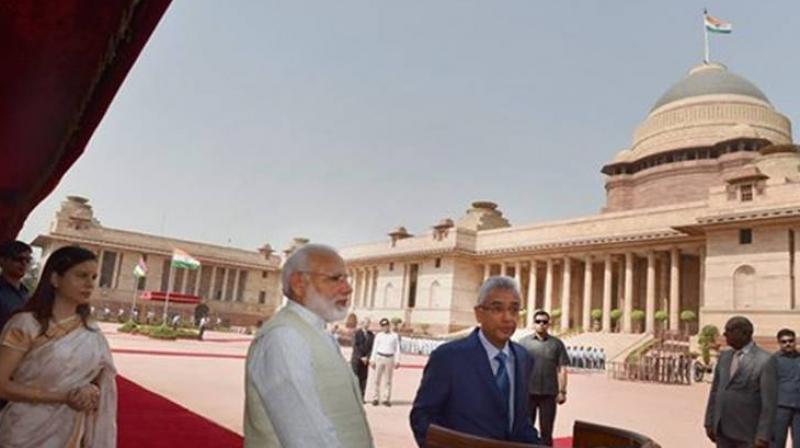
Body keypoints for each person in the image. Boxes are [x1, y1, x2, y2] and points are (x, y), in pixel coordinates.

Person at [243, 244, 373, 448]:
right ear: (299, 283)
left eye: (346, 279)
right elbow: (308, 437)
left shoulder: (316, 332)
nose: (347, 288)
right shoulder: (284, 337)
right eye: (335, 278)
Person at [0, 245, 117, 446]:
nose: (89, 284)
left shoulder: (91, 332)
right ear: (55, 279)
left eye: (94, 277)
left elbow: (100, 380)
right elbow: (1, 385)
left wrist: (91, 391)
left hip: (70, 431)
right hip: (25, 430)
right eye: (81, 276)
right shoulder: (27, 324)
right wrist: (62, 397)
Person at [410, 276, 539, 447]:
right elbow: (422, 418)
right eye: (497, 309)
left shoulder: (523, 358)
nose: (508, 318)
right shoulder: (449, 357)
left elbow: (521, 423)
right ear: (479, 313)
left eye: (514, 310)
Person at [704, 316, 777, 448]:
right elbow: (715, 392)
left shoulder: (765, 360)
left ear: (744, 333)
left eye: (729, 330)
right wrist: (709, 421)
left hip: (749, 433)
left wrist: (763, 435)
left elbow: (769, 403)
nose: (725, 334)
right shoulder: (725, 357)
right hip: (723, 430)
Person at [519, 310, 569, 447]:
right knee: (525, 430)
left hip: (549, 393)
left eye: (544, 322)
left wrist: (562, 391)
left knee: (546, 431)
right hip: (527, 393)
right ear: (533, 324)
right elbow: (516, 367)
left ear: (549, 324)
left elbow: (562, 369)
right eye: (538, 321)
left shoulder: (557, 344)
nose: (541, 324)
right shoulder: (523, 343)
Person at [773, 328, 800, 448]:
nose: (788, 344)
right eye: (784, 342)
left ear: (795, 341)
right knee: (777, 442)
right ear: (779, 343)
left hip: (798, 409)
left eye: (790, 341)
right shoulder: (773, 360)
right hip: (780, 408)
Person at [0, 240, 33, 333]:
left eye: (28, 260)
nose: (24, 264)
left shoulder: (26, 294)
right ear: (2, 260)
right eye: (18, 259)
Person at [370, 317, 400, 406]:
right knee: (376, 379)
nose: (385, 328)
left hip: (389, 358)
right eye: (383, 326)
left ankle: (386, 398)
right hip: (380, 357)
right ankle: (375, 397)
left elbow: (397, 349)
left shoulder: (394, 336)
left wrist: (397, 360)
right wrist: (372, 359)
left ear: (389, 326)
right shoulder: (379, 336)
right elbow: (375, 348)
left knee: (388, 380)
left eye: (386, 326)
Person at [351, 317, 374, 400]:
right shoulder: (356, 333)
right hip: (357, 359)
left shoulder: (371, 335)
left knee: (363, 379)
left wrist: (367, 357)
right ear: (362, 324)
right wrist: (361, 357)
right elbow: (355, 346)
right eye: (365, 323)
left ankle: (361, 397)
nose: (367, 324)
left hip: (365, 361)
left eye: (368, 323)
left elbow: (372, 348)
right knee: (355, 378)